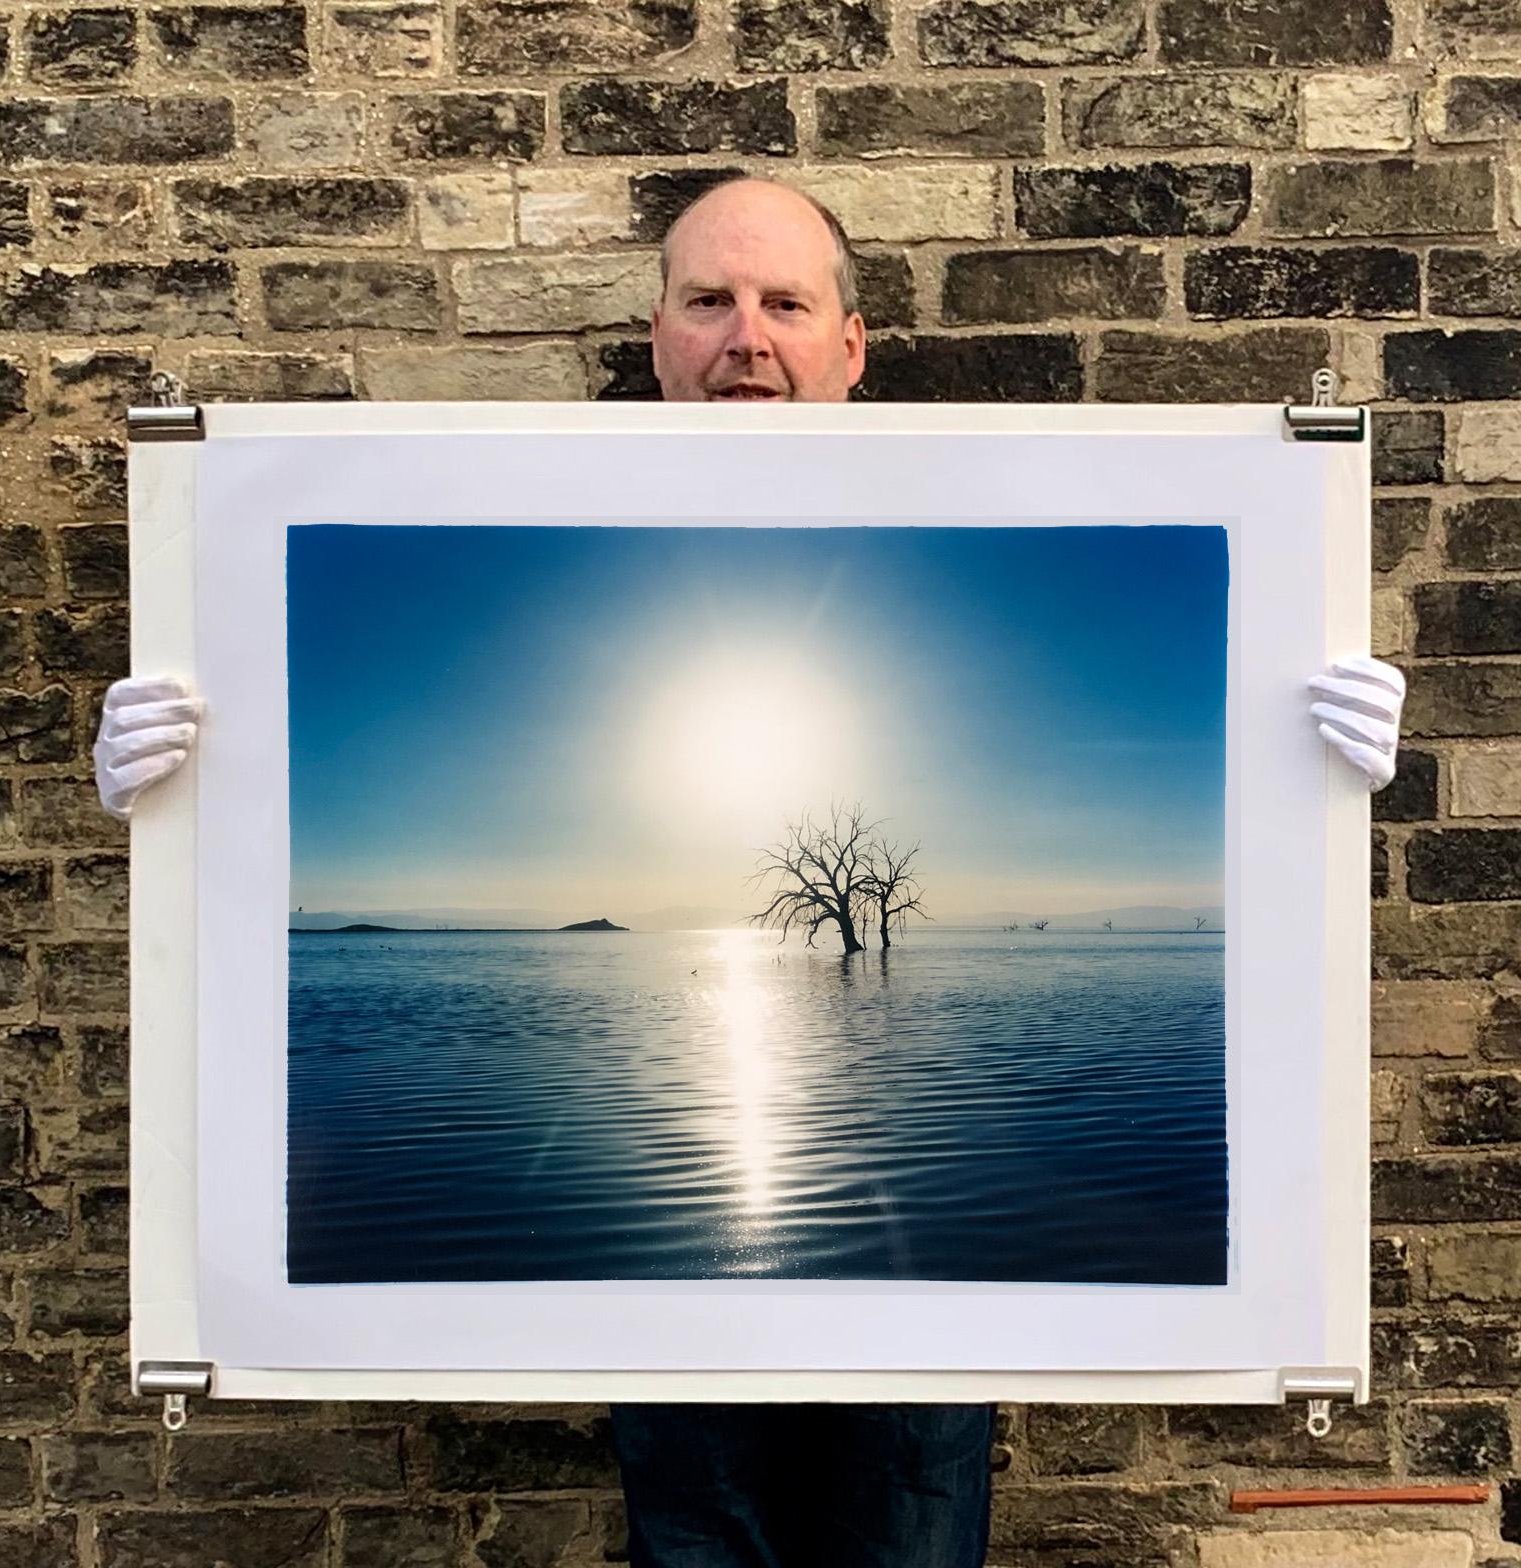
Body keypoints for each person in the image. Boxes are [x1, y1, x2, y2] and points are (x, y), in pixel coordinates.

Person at [95, 176, 1407, 1566]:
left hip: (936, 1303)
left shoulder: (973, 517)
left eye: (786, 303)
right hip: (662, 1295)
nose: (746, 338)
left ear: (851, 344)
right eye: (709, 301)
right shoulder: (538, 522)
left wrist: (1303, 775)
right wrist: (189, 807)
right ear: (654, 334)